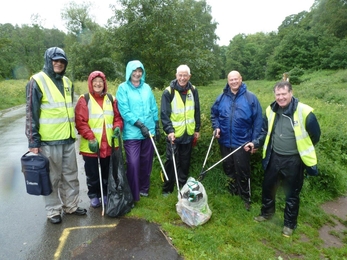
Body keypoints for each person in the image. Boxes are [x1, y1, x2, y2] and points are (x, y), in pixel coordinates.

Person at [245, 81, 321, 237]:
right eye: (278, 94)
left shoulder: (305, 112)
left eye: (284, 94)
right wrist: (255, 143)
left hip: (294, 160)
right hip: (274, 157)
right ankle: (266, 214)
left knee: (292, 194)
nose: (280, 97)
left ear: (291, 93)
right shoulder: (270, 110)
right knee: (268, 187)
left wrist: (300, 148)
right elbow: (264, 132)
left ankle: (289, 224)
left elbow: (315, 135)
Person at [25, 47, 87, 224]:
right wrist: (33, 140)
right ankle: (53, 210)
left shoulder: (67, 81)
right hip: (48, 141)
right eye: (55, 60)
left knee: (70, 175)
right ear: (48, 61)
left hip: (67, 139)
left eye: (62, 61)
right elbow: (31, 113)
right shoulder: (37, 81)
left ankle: (71, 206)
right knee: (52, 177)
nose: (59, 63)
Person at [211, 70, 263, 210]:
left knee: (242, 171)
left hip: (243, 143)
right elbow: (214, 114)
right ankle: (232, 193)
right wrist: (216, 127)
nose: (233, 82)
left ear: (241, 79)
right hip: (225, 141)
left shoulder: (250, 98)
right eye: (231, 80)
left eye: (236, 79)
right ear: (228, 81)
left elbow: (258, 122)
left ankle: (245, 198)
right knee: (228, 168)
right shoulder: (221, 97)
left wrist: (255, 141)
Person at [75, 71, 123, 208]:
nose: (98, 84)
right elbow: (80, 122)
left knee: (107, 172)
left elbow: (117, 118)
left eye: (100, 81)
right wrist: (90, 137)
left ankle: (106, 194)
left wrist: (117, 127)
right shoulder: (84, 99)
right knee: (92, 173)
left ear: (104, 83)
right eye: (95, 81)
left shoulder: (111, 99)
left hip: (108, 144)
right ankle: (94, 195)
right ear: (90, 83)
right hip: (91, 145)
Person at [116, 60, 159, 202]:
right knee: (133, 163)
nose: (137, 73)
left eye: (140, 71)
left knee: (146, 162)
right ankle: (132, 192)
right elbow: (124, 111)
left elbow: (153, 106)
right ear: (129, 72)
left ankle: (144, 188)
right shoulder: (123, 88)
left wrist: (156, 125)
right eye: (135, 71)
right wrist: (140, 125)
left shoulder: (147, 87)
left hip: (149, 131)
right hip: (132, 133)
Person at [161, 65, 201, 196]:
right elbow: (164, 114)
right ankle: (168, 188)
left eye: (185, 75)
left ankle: (183, 185)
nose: (182, 78)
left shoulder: (193, 90)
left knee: (185, 161)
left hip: (188, 133)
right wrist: (169, 131)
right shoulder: (168, 92)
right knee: (171, 161)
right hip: (174, 134)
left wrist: (197, 129)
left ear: (189, 76)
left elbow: (197, 111)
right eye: (180, 75)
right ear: (176, 75)